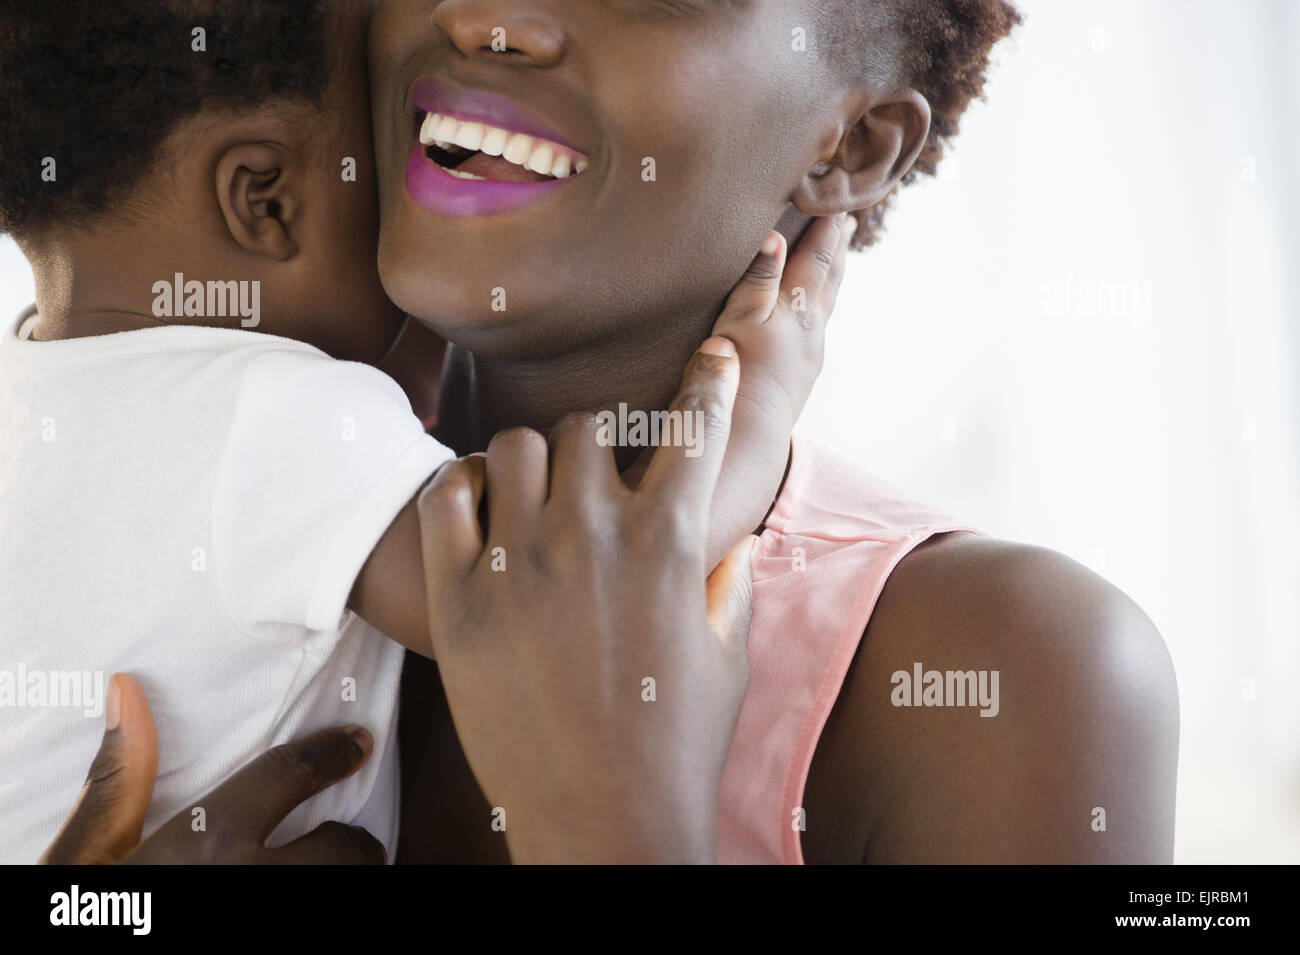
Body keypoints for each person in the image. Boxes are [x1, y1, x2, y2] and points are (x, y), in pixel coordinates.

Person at [0, 0, 844, 862]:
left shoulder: (36, 398)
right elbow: (581, 588)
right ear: (265, 198)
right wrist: (759, 402)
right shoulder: (285, 415)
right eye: (384, 154)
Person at [368, 0, 1181, 864]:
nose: (483, 19)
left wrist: (614, 822)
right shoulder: (229, 478)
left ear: (853, 146)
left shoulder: (1013, 671)